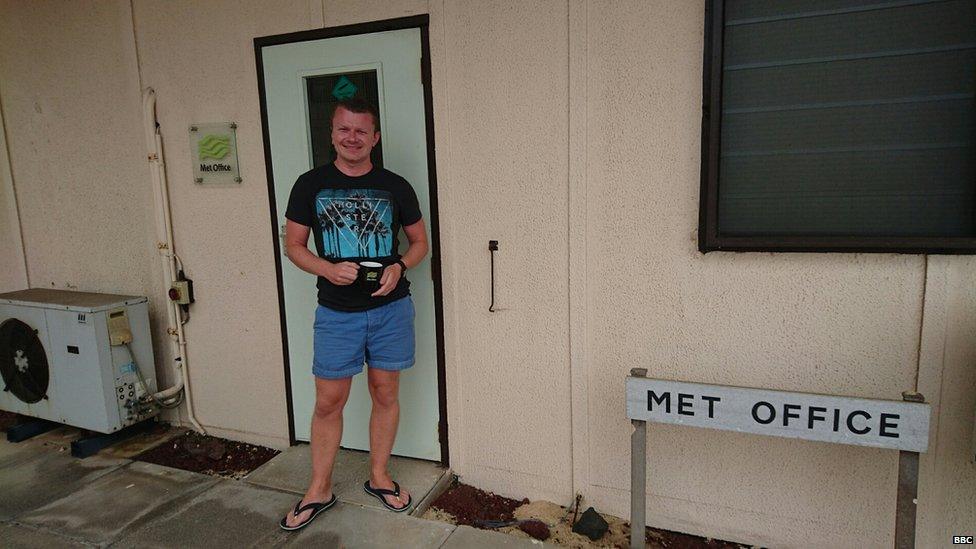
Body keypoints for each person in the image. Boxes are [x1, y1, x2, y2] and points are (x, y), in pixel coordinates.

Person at [279, 98, 429, 531]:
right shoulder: (310, 185)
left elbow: (420, 244)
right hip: (337, 313)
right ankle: (319, 488)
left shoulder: (396, 185)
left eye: (361, 131)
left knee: (385, 394)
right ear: (332, 134)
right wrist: (327, 268)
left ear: (375, 138)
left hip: (391, 309)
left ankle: (379, 477)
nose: (352, 137)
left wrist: (399, 265)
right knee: (329, 401)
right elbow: (294, 246)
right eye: (344, 129)